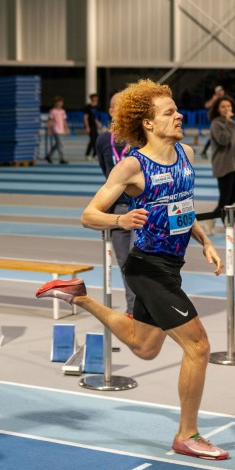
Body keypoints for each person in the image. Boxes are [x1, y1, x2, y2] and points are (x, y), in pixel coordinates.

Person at [36, 79, 228, 461]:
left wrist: (205, 240)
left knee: (145, 347)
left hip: (171, 266)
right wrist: (120, 221)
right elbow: (88, 215)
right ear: (148, 123)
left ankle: (81, 297)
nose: (179, 116)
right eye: (169, 112)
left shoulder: (187, 154)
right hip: (147, 267)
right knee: (199, 346)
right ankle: (187, 434)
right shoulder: (132, 166)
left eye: (177, 109)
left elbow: (181, 206)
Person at [94, 91, 135, 316]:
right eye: (121, 106)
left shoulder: (140, 139)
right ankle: (132, 310)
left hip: (140, 210)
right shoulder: (103, 141)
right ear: (111, 112)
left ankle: (146, 310)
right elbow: (107, 174)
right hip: (117, 211)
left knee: (141, 262)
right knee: (126, 264)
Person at [202, 96, 235, 236]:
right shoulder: (216, 124)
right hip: (224, 166)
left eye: (229, 106)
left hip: (234, 166)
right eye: (223, 106)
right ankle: (229, 228)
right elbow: (223, 141)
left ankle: (211, 217)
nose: (227, 109)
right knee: (225, 199)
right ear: (218, 109)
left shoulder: (230, 124)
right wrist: (229, 123)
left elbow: (234, 146)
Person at [200, 86, 226, 158]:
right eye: (219, 91)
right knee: (215, 135)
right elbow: (206, 105)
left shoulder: (224, 99)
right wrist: (213, 100)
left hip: (223, 120)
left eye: (222, 90)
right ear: (216, 92)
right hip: (216, 120)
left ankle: (205, 151)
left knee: (219, 135)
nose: (221, 92)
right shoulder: (215, 99)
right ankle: (206, 151)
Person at [45, 96, 69, 164]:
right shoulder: (53, 111)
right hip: (55, 129)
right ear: (55, 103)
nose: (60, 103)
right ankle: (62, 158)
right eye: (59, 102)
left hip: (61, 129)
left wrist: (66, 128)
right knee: (60, 144)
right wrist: (49, 129)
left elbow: (64, 120)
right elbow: (50, 120)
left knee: (57, 144)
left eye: (61, 102)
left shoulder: (63, 111)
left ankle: (49, 155)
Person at [84, 93, 101, 160]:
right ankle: (88, 154)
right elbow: (85, 118)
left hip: (95, 126)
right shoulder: (88, 107)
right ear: (91, 98)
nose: (96, 99)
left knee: (96, 140)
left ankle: (95, 154)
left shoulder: (97, 107)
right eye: (94, 97)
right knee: (92, 140)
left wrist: (98, 124)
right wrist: (87, 127)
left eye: (96, 97)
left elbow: (95, 118)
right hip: (90, 126)